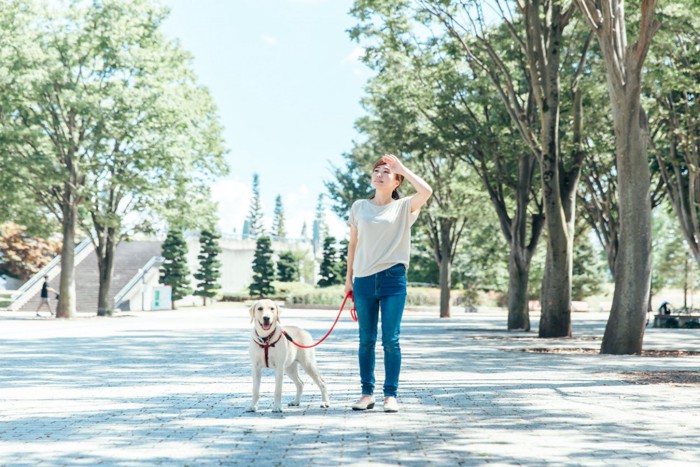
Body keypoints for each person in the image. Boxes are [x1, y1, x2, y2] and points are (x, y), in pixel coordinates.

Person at [345, 154, 432, 413]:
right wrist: (348, 279)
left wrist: (401, 166)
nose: (379, 174)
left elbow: (427, 190)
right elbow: (353, 244)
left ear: (396, 182)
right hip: (362, 280)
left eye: (386, 172)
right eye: (377, 171)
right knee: (366, 340)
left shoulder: (404, 206)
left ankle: (390, 395)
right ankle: (366, 393)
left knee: (391, 340)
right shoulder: (359, 206)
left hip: (393, 279)